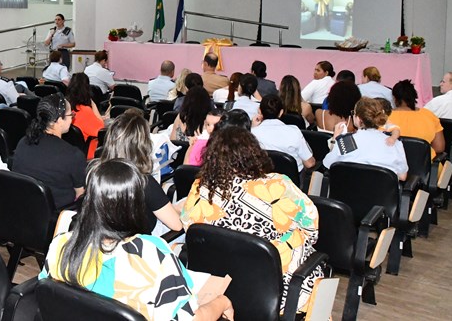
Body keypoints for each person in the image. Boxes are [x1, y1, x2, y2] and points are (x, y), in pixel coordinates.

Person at [40, 159, 234, 321]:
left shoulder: (61, 244)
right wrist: (222, 302)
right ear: (133, 205)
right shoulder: (151, 254)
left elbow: (46, 298)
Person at [182, 126, 324, 312]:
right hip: (274, 287)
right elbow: (312, 228)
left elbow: (189, 228)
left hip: (217, 283)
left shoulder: (201, 188)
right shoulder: (278, 185)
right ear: (254, 153)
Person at [99, 110, 183, 232]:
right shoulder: (144, 182)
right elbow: (177, 225)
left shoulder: (95, 174)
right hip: (141, 240)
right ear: (143, 145)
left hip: (108, 236)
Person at [12, 93, 85, 209]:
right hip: (57, 218)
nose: (72, 117)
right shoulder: (73, 155)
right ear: (60, 120)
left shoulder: (23, 142)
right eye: (71, 114)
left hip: (22, 210)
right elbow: (80, 195)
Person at [323, 98, 409, 180]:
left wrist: (335, 139)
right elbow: (402, 176)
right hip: (381, 194)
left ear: (359, 119)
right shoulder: (394, 144)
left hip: (346, 194)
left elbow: (328, 164)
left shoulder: (345, 142)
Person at [252, 95, 315, 172]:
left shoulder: (252, 133)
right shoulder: (294, 131)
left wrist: (252, 128)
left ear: (259, 111)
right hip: (292, 182)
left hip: (263, 180)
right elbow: (309, 163)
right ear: (281, 112)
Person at [389, 80, 445, 155]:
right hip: (424, 164)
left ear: (394, 98)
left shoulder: (384, 117)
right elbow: (439, 147)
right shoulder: (429, 115)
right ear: (414, 97)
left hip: (392, 164)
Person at [185, 109, 250, 167]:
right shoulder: (200, 140)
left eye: (216, 125)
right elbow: (187, 167)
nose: (210, 128)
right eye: (208, 124)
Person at [66, 73, 106, 159]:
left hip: (69, 151)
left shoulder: (66, 107)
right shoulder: (85, 110)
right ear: (87, 89)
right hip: (87, 155)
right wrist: (94, 106)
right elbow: (101, 131)